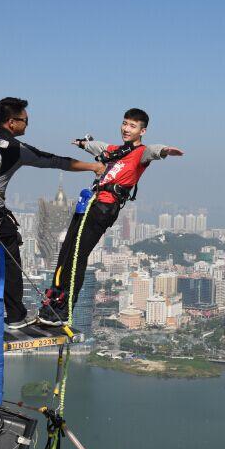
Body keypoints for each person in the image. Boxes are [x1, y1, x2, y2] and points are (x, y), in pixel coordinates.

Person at [37, 107, 183, 326]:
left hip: (104, 208)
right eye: (125, 123)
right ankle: (54, 300)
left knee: (78, 255)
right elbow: (100, 147)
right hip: (90, 204)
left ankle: (65, 310)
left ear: (142, 131)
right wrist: (83, 144)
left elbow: (153, 150)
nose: (126, 128)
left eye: (132, 126)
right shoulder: (116, 151)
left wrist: (165, 151)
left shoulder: (140, 153)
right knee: (66, 251)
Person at [0, 97, 101, 329]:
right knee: (10, 260)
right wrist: (93, 166)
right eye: (25, 121)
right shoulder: (16, 148)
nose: (27, 125)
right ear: (11, 122)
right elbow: (54, 161)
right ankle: (16, 315)